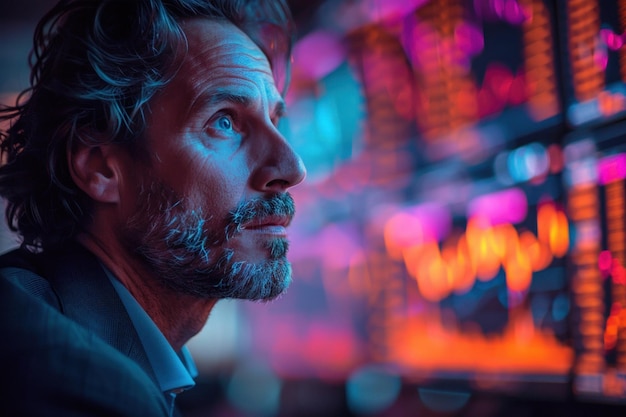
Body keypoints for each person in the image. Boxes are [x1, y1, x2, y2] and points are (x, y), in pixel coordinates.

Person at [0, 0, 306, 415]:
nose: (291, 169)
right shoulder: (77, 384)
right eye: (225, 121)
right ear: (101, 167)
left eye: (275, 119)